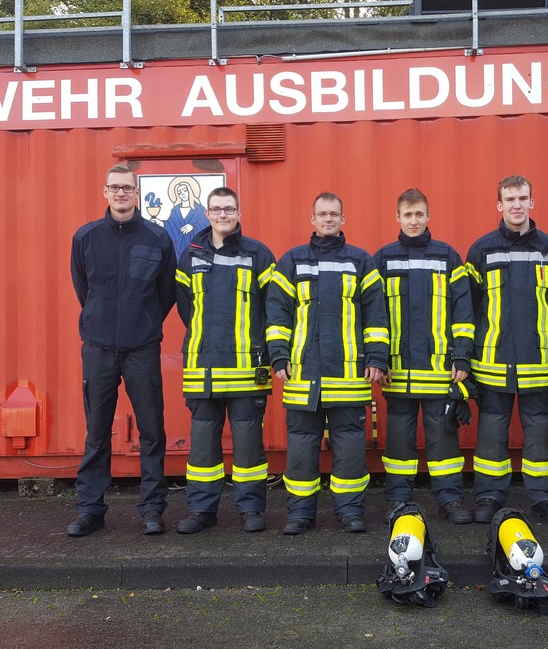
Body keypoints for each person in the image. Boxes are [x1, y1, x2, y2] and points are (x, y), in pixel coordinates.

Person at [266, 192, 389, 535]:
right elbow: (277, 312)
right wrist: (278, 354)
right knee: (302, 446)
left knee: (350, 445)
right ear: (313, 219)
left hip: (349, 373)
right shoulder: (291, 261)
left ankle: (350, 511)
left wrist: (378, 357)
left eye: (334, 214)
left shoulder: (361, 261)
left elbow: (376, 316)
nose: (328, 219)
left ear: (343, 219)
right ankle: (300, 513)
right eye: (322, 214)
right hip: (303, 373)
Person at [67, 164, 176, 537]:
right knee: (97, 431)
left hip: (141, 347)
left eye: (127, 188)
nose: (121, 193)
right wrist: (101, 318)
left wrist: (142, 320)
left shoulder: (157, 238)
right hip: (97, 347)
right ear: (105, 192)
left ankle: (152, 509)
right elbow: (84, 290)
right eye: (114, 187)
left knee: (151, 430)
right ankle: (90, 511)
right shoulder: (86, 237)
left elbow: (164, 295)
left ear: (137, 193)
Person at [465, 175, 548, 525]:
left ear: (532, 202)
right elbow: (474, 304)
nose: (516, 205)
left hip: (537, 357)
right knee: (492, 431)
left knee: (541, 430)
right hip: (492, 358)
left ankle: (543, 497)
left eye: (523, 198)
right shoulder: (481, 250)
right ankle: (489, 495)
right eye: (509, 199)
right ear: (499, 205)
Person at [174, 187, 276, 534]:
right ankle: (202, 511)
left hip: (248, 367)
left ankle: (251, 509)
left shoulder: (258, 254)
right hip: (203, 365)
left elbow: (271, 307)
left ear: (238, 213)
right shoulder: (190, 255)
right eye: (216, 210)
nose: (222, 215)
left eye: (228, 209)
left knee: (248, 446)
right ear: (207, 213)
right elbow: (186, 308)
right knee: (203, 447)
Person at [372, 189, 475, 525]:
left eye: (419, 214)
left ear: (428, 216)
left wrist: (461, 357)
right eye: (407, 215)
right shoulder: (382, 259)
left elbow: (463, 311)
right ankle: (399, 499)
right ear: (397, 218)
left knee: (443, 439)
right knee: (399, 441)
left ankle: (450, 499)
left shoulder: (448, 257)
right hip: (397, 370)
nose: (413, 221)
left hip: (439, 370)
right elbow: (373, 314)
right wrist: (378, 358)